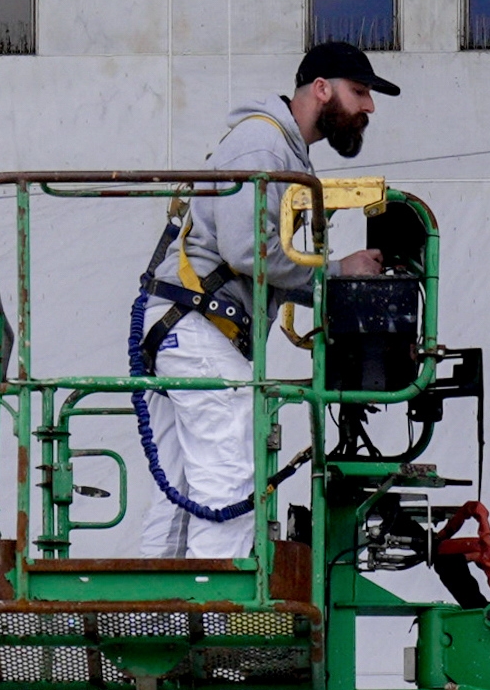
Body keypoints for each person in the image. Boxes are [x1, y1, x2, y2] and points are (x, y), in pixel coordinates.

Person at [124, 44, 402, 561]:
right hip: (199, 328)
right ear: (322, 88)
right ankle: (215, 614)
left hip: (183, 324)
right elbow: (248, 250)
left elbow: (260, 260)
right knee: (229, 478)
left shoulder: (279, 149)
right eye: (359, 92)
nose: (369, 108)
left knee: (183, 489)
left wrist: (334, 276)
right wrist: (337, 272)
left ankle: (162, 610)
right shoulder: (263, 145)